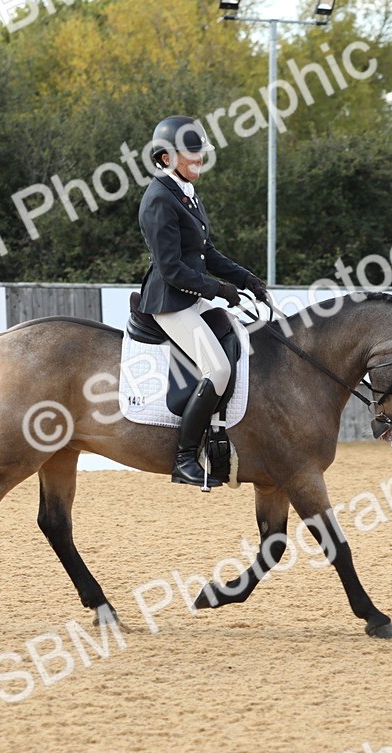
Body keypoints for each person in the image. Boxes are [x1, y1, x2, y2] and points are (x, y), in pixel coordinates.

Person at [137, 115, 268, 488]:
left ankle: (221, 434)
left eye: (200, 153)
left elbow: (206, 252)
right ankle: (183, 458)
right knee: (219, 369)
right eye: (191, 154)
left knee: (242, 338)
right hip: (170, 302)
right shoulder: (159, 200)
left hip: (190, 296)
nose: (199, 160)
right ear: (166, 158)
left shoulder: (185, 194)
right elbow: (173, 269)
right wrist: (217, 290)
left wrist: (244, 278)